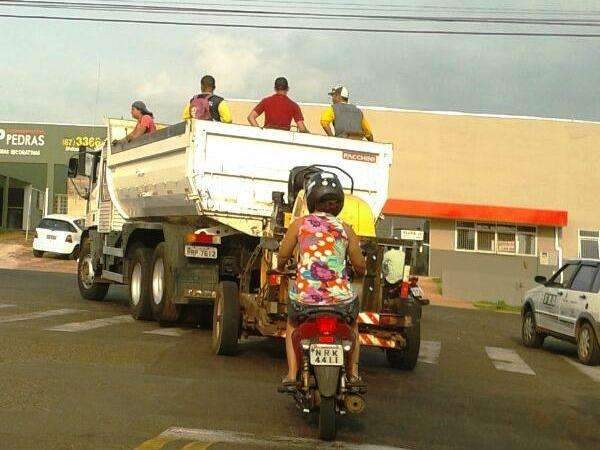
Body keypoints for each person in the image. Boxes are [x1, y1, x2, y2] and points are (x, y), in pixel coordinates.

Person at [276, 171, 366, 389]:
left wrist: (280, 267)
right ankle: (353, 373)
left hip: (305, 300)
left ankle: (291, 374)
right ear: (339, 203)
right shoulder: (346, 229)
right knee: (353, 326)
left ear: (311, 199)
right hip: (340, 302)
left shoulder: (299, 224)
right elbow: (360, 265)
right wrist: (359, 273)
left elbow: (283, 254)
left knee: (291, 325)